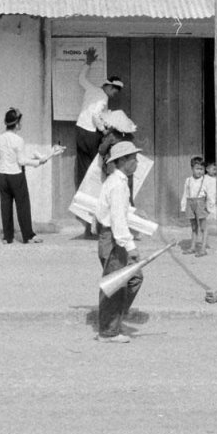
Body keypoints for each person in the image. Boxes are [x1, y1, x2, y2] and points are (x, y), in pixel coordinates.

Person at [95, 140, 144, 344]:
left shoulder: (119, 182)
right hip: (114, 239)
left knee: (133, 278)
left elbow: (117, 213)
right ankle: (108, 331)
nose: (137, 162)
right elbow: (117, 220)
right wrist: (130, 246)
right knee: (115, 284)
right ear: (123, 160)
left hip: (112, 236)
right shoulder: (117, 185)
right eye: (134, 159)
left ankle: (114, 320)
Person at [74, 47, 123, 237]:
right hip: (90, 135)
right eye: (114, 92)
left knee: (83, 174)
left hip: (79, 130)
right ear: (109, 87)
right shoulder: (102, 97)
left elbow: (81, 79)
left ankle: (87, 222)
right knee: (93, 175)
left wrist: (88, 62)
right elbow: (96, 115)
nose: (113, 96)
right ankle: (91, 224)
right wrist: (103, 129)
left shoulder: (92, 89)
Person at [0, 108, 50, 245]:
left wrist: (31, 158)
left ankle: (7, 238)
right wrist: (38, 162)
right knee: (23, 206)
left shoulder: (0, 138)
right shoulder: (18, 140)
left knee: (5, 206)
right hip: (16, 176)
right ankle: (28, 236)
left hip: (2, 175)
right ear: (17, 123)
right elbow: (21, 161)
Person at [180, 155, 216, 257]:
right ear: (192, 168)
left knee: (203, 227)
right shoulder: (188, 180)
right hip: (190, 203)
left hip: (200, 204)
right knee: (194, 227)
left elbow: (210, 194)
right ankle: (192, 247)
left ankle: (203, 248)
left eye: (201, 169)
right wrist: (183, 206)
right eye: (197, 169)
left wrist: (210, 207)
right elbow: (185, 193)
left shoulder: (205, 180)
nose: (199, 171)